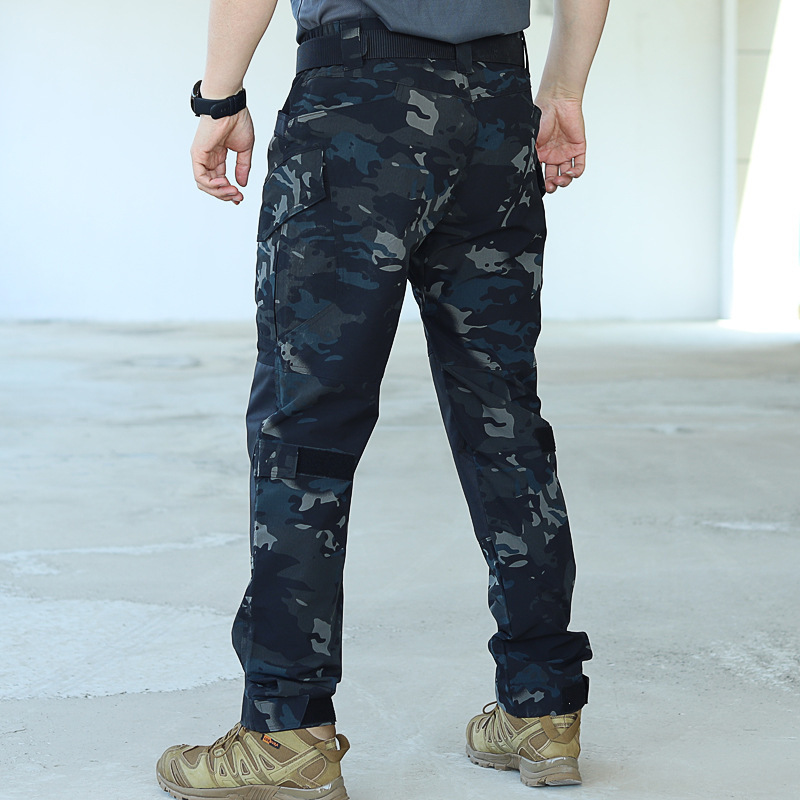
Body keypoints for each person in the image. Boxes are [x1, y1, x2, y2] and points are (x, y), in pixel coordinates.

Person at [157, 1, 609, 798]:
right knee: (504, 416)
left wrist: (219, 98)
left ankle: (286, 729)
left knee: (307, 424)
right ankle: (542, 709)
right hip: (497, 112)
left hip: (356, 106)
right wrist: (563, 89)